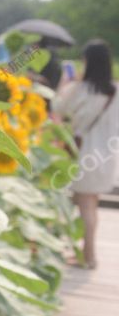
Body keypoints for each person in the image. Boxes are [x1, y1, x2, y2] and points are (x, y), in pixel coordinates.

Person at [52, 39, 118, 269]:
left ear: (87, 62)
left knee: (85, 207)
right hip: (107, 157)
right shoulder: (115, 90)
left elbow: (56, 108)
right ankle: (88, 254)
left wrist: (65, 82)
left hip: (83, 156)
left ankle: (88, 257)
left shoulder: (80, 88)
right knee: (93, 206)